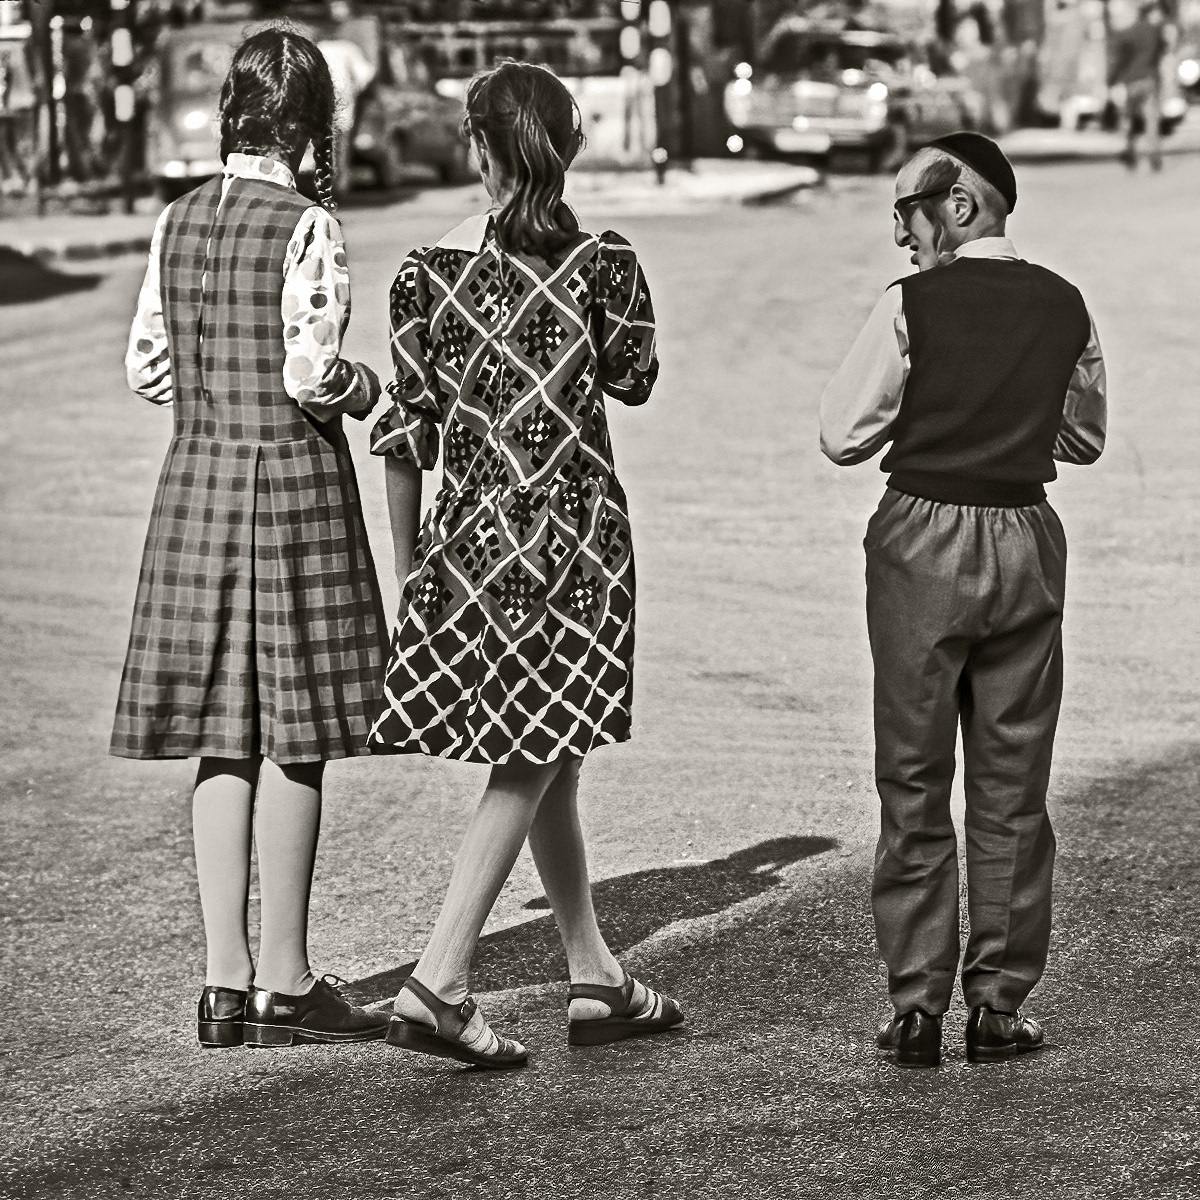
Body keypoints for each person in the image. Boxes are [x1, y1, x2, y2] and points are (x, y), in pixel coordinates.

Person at [370, 60, 684, 1070]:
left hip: (466, 543)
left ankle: (596, 976)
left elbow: (403, 433)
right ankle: (441, 978)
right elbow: (635, 376)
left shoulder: (421, 277)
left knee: (555, 751)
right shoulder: (605, 265)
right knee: (538, 748)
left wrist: (410, 562)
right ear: (568, 147)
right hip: (577, 540)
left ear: (473, 146)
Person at [112, 28, 390, 1050]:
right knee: (298, 735)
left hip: (198, 481)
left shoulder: (176, 218)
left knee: (223, 731)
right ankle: (286, 978)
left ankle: (223, 984)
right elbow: (313, 374)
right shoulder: (308, 224)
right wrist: (367, 389)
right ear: (313, 124)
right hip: (289, 486)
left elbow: (149, 367)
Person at [819, 133, 1106, 1068]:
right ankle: (998, 1005)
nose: (900, 235)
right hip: (1025, 535)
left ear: (962, 206)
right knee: (1013, 781)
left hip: (922, 539)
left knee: (912, 773)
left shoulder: (912, 305)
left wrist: (933, 401)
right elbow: (1083, 438)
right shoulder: (1067, 306)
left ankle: (914, 1007)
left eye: (907, 211)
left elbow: (842, 434)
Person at [1109, 1, 1168, 171]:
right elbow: (1162, 50)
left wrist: (1112, 80)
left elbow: (1119, 59)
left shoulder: (1127, 33)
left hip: (1131, 81)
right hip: (1150, 79)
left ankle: (1129, 150)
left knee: (1130, 118)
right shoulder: (1155, 32)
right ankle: (1154, 154)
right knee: (1151, 119)